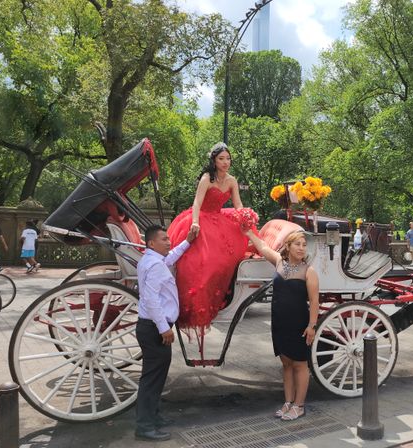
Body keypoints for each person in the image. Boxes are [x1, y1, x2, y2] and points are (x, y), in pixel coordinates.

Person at [166, 143, 255, 336]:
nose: (225, 162)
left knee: (227, 258)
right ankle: (194, 305)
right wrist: (195, 223)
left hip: (220, 219)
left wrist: (245, 216)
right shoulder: (207, 178)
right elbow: (197, 202)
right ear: (214, 160)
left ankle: (226, 295)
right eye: (221, 159)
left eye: (228, 159)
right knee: (203, 261)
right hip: (202, 218)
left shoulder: (232, 180)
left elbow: (238, 204)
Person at [244, 229, 319, 421]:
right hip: (278, 322)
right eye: (297, 244)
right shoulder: (279, 261)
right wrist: (247, 232)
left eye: (304, 245)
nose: (301, 248)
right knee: (286, 363)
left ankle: (299, 405)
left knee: (300, 364)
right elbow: (262, 247)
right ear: (288, 246)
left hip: (299, 323)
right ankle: (288, 402)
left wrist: (312, 326)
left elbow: (314, 301)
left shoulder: (309, 271)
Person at [134, 225, 195, 442]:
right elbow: (150, 299)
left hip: (150, 327)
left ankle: (153, 417)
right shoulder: (155, 265)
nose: (169, 242)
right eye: (164, 239)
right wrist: (163, 328)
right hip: (154, 328)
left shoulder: (152, 260)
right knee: (152, 378)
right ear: (151, 243)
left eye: (168, 239)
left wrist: (186, 242)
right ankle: (145, 426)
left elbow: (170, 258)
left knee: (157, 377)